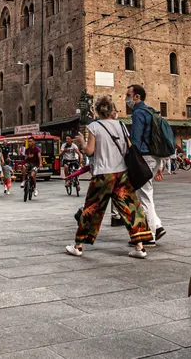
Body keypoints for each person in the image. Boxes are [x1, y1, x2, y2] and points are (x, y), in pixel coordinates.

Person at [65, 96, 153, 259]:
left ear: (97, 111)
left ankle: (78, 246)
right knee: (131, 209)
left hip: (102, 174)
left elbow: (90, 151)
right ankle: (140, 247)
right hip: (122, 173)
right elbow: (128, 149)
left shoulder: (94, 126)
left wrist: (82, 143)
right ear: (112, 110)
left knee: (92, 210)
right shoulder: (121, 126)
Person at [126, 85, 167, 243]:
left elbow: (136, 139)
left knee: (144, 196)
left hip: (144, 156)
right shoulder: (151, 111)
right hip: (154, 157)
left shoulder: (138, 113)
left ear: (137, 97)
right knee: (145, 193)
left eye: (128, 95)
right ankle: (157, 226)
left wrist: (131, 158)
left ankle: (149, 235)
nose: (126, 98)